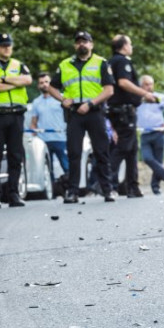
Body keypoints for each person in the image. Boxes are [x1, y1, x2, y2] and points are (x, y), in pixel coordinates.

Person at [48, 31, 115, 203]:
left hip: (95, 112)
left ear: (91, 44)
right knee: (74, 153)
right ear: (74, 45)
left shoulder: (100, 62)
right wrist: (63, 99)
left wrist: (91, 104)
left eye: (85, 42)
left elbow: (109, 90)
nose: (81, 45)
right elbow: (51, 88)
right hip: (74, 114)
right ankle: (72, 192)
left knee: (101, 152)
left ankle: (108, 190)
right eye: (78, 42)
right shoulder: (65, 65)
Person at [0, 33, 32, 207]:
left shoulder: (18, 64)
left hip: (17, 115)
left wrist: (3, 79)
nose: (6, 48)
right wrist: (14, 83)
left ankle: (14, 194)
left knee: (15, 156)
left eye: (8, 45)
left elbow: (27, 80)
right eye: (3, 46)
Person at [107, 34, 156, 198]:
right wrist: (145, 93)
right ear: (124, 46)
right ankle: (106, 182)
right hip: (123, 111)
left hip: (121, 111)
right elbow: (123, 82)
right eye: (130, 44)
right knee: (123, 147)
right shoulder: (122, 61)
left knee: (132, 150)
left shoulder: (111, 61)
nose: (131, 47)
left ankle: (132, 187)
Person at [137, 75, 164, 195]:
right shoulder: (137, 99)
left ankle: (155, 187)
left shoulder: (160, 97)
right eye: (146, 84)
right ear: (141, 86)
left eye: (151, 84)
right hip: (145, 134)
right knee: (147, 158)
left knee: (158, 161)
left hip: (158, 133)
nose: (149, 87)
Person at [29, 72, 69, 180]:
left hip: (60, 139)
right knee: (47, 169)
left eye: (47, 82)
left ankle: (70, 189)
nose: (44, 85)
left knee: (66, 166)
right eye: (41, 83)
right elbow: (33, 122)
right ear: (38, 85)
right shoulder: (36, 102)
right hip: (43, 140)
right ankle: (53, 192)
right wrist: (33, 135)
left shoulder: (61, 98)